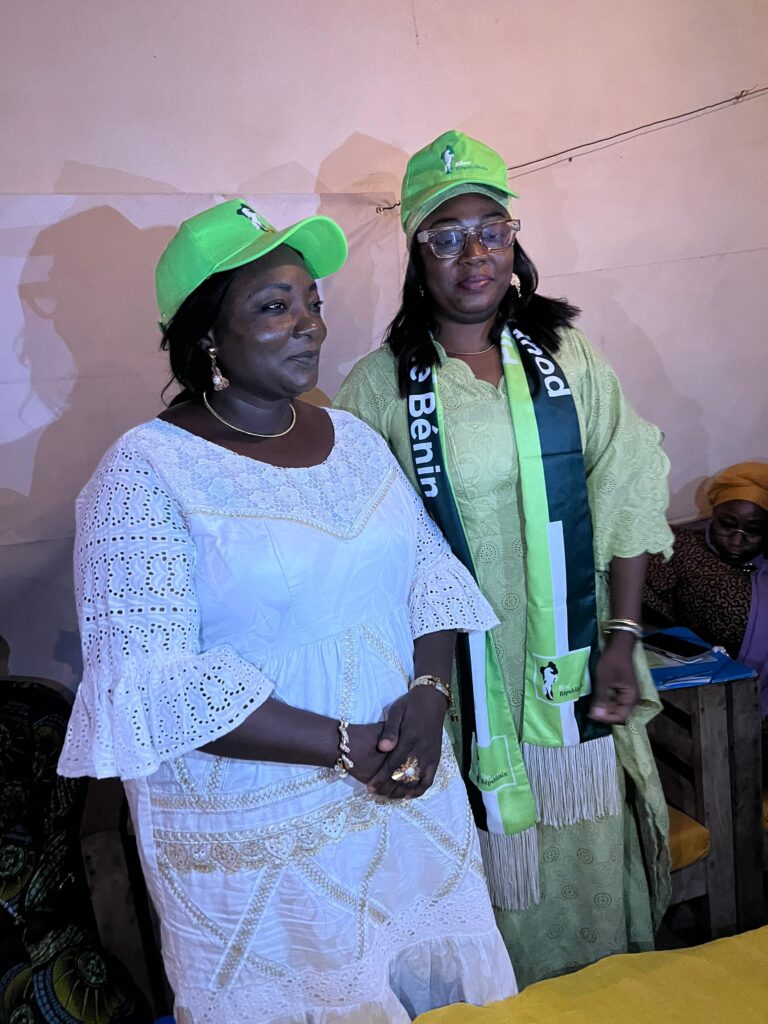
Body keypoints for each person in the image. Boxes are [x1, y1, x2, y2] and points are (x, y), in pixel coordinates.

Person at [58, 199, 517, 1022]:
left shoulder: (353, 440)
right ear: (207, 334)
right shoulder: (146, 473)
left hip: (400, 803)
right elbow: (154, 688)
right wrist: (344, 746)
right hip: (265, 841)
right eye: (274, 306)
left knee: (429, 989)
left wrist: (428, 696)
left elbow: (429, 576)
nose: (309, 325)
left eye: (312, 302)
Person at [335, 131, 673, 987]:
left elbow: (624, 480)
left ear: (514, 242)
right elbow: (359, 551)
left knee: (589, 873)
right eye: (447, 237)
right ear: (418, 257)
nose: (474, 253)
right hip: (455, 693)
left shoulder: (567, 356)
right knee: (481, 892)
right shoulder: (379, 387)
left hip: (574, 672)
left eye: (492, 229)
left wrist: (625, 634)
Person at [644, 461, 768, 714]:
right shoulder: (680, 549)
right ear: (713, 515)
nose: (737, 540)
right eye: (726, 524)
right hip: (702, 699)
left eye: (753, 530)